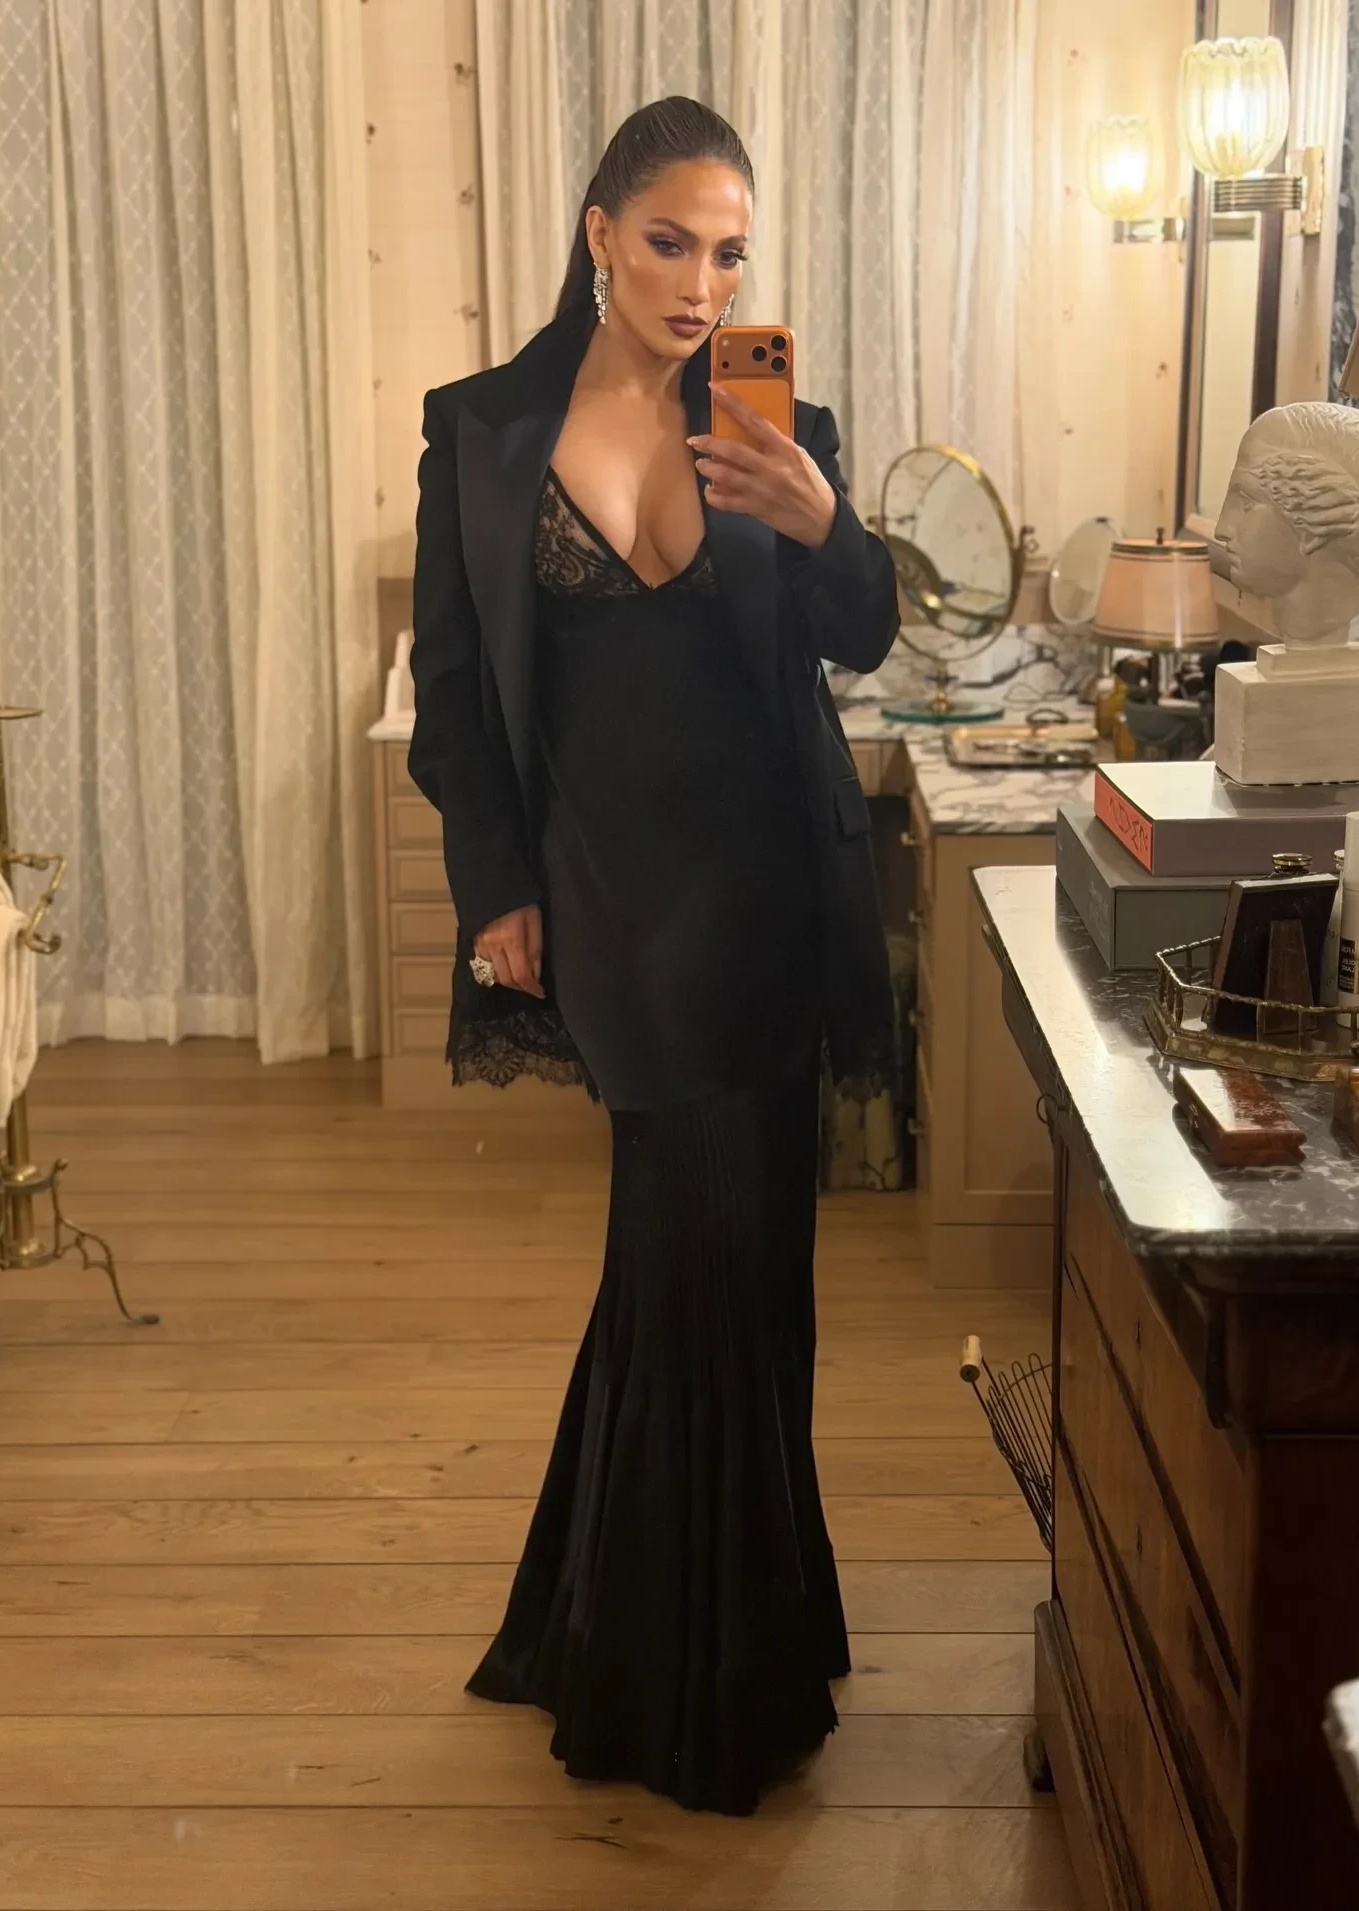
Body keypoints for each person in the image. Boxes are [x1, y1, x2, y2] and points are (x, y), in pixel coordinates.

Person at [408, 96, 899, 1817]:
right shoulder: (481, 428)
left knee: (742, 1266)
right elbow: (456, 700)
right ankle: (689, 1666)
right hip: (611, 900)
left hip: (771, 893)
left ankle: (667, 1620)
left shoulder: (778, 422)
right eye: (674, 242)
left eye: (732, 252)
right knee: (692, 1237)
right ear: (601, 232)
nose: (704, 283)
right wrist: (493, 885)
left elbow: (865, 632)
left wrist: (825, 518)